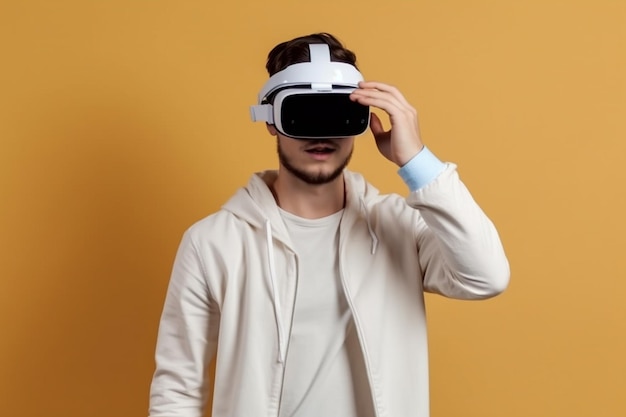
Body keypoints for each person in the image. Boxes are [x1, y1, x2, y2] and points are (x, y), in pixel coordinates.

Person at [148, 32, 510, 417]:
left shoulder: (399, 227)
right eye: (302, 113)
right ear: (271, 120)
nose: (321, 134)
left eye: (337, 113)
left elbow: (486, 276)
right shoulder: (212, 243)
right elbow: (178, 387)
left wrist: (417, 161)